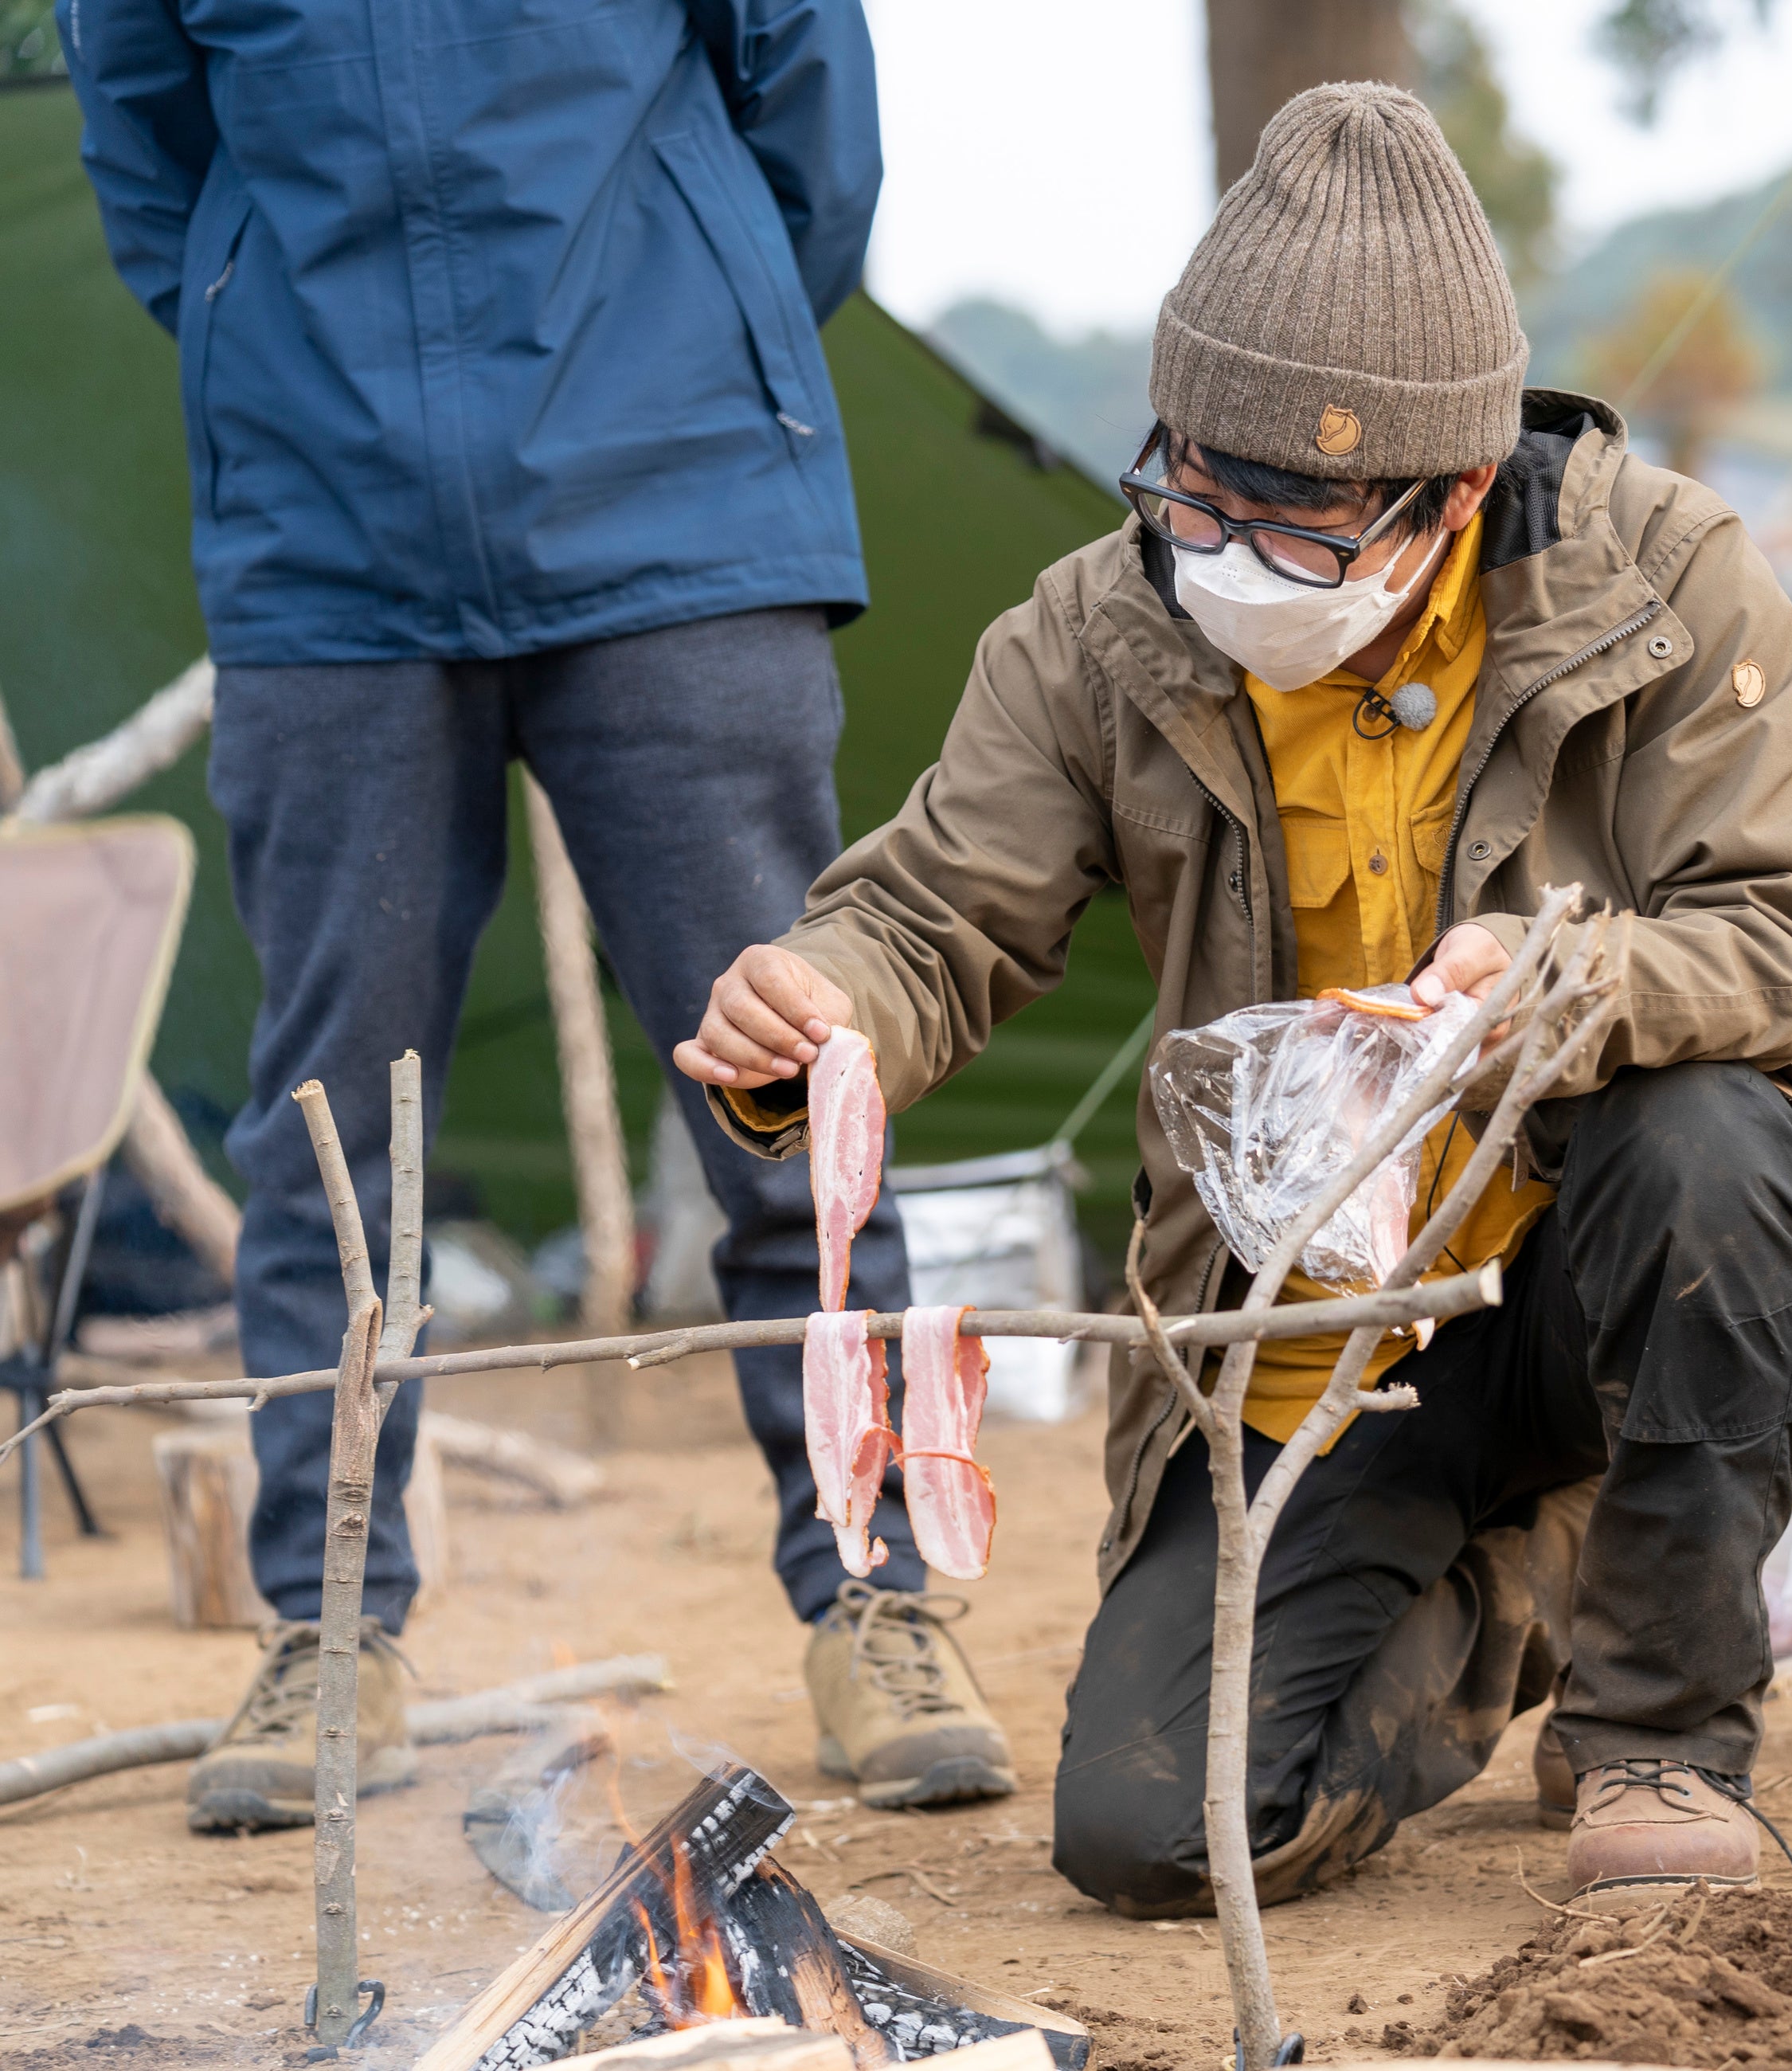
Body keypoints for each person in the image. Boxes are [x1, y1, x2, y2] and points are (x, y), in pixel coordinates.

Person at [681, 83, 1792, 1912]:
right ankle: (1542, 1576)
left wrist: (1563, 985)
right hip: (1311, 1328)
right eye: (1196, 483)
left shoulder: (1662, 582)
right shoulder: (1098, 628)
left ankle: (1662, 1735)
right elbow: (938, 912)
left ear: (1458, 488)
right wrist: (819, 1003)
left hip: (1588, 1266)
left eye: (1308, 520)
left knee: (1717, 1134)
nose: (1233, 549)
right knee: (1149, 1834)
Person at [62, 0, 1015, 1830]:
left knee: (784, 1082)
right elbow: (149, 153)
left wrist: (690, 335)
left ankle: (876, 1597)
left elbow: (809, 111)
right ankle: (333, 1621)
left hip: (680, 504)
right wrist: (281, 344)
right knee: (330, 1118)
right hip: (325, 540)